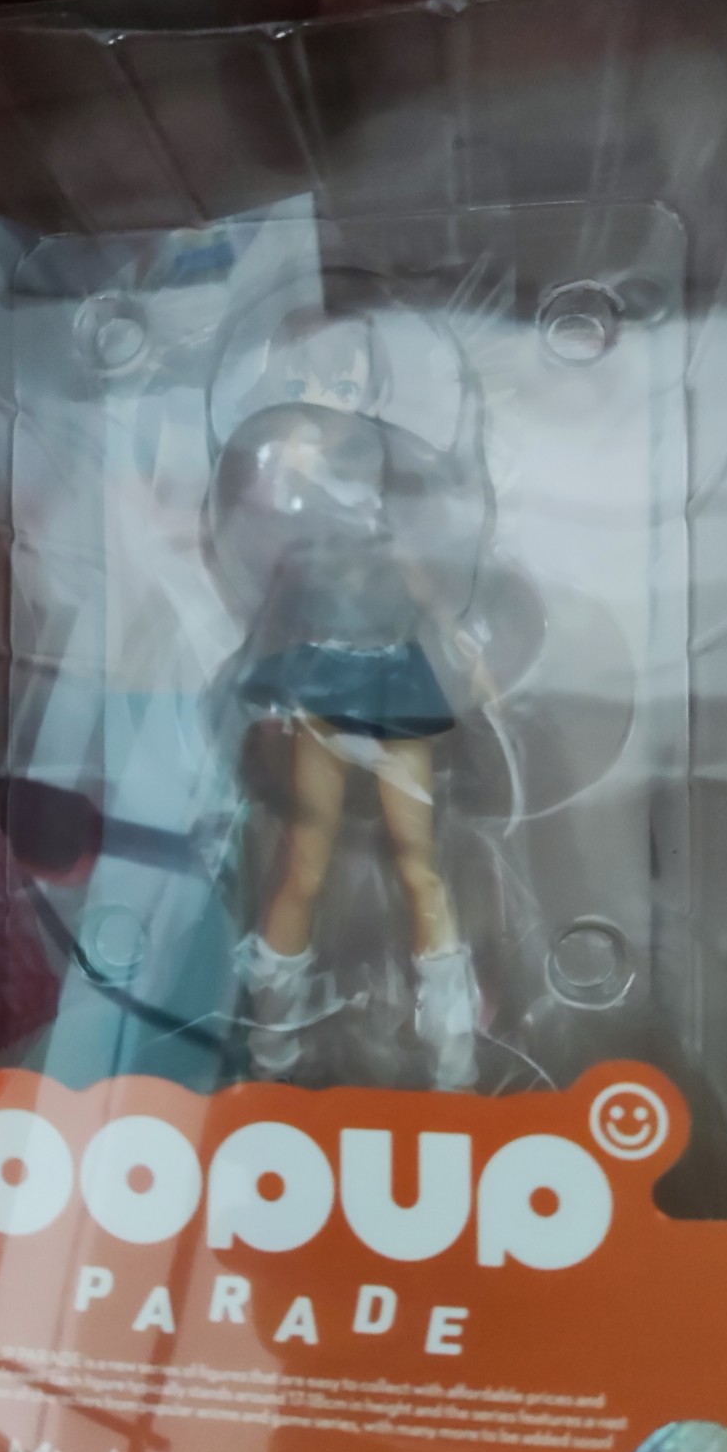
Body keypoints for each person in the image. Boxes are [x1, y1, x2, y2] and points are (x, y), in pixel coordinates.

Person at [212, 301, 487, 1090]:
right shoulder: (283, 466)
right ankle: (273, 1054)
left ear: (369, 384)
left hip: (393, 671)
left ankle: (455, 1060)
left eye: (343, 379)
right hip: (324, 678)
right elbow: (271, 574)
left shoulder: (386, 465)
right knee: (305, 859)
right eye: (308, 380)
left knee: (419, 865)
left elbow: (411, 563)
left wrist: (457, 635)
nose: (327, 395)